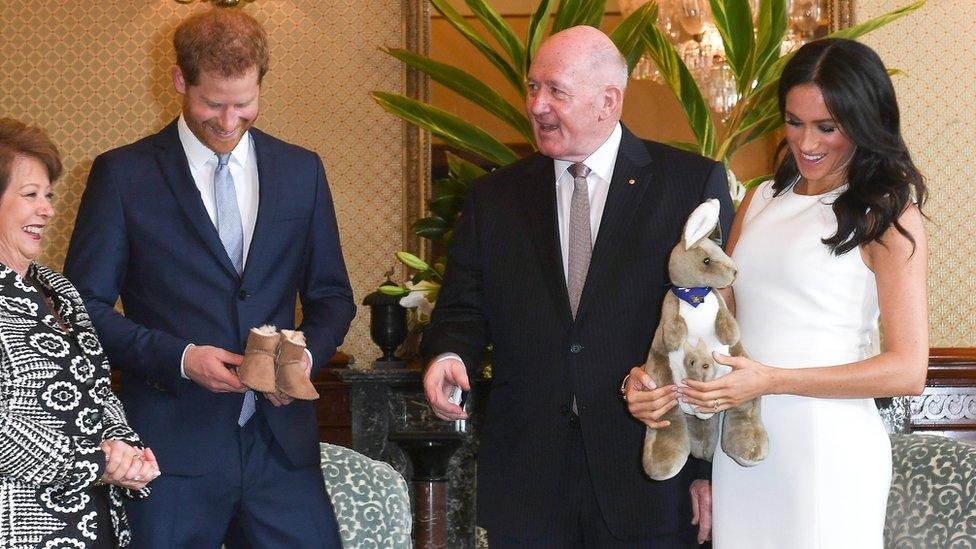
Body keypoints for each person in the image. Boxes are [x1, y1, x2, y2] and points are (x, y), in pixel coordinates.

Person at [421, 25, 733, 547]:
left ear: (608, 101)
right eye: (533, 87)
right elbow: (461, 308)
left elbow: (716, 335)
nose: (537, 105)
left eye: (556, 91)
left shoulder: (688, 185)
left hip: (649, 472)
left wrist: (707, 469)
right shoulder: (494, 198)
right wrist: (447, 355)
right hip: (528, 476)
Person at [63, 9, 355, 548]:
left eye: (243, 104)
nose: (227, 121)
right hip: (167, 454)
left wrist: (304, 358)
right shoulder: (122, 175)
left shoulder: (302, 171)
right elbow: (83, 311)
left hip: (283, 457)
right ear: (179, 81)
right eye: (212, 104)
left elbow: (332, 295)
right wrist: (181, 358)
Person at [627, 38, 929, 548]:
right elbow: (718, 326)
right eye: (794, 121)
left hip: (826, 449)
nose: (806, 141)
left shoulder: (888, 213)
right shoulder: (763, 198)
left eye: (826, 127)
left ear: (864, 121)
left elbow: (907, 370)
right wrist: (656, 378)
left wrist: (769, 379)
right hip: (743, 445)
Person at [0, 118, 161, 548]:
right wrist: (93, 462)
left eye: (49, 195)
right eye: (31, 195)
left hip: (99, 522)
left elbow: (99, 387)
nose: (47, 209)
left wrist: (128, 452)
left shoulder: (61, 289)